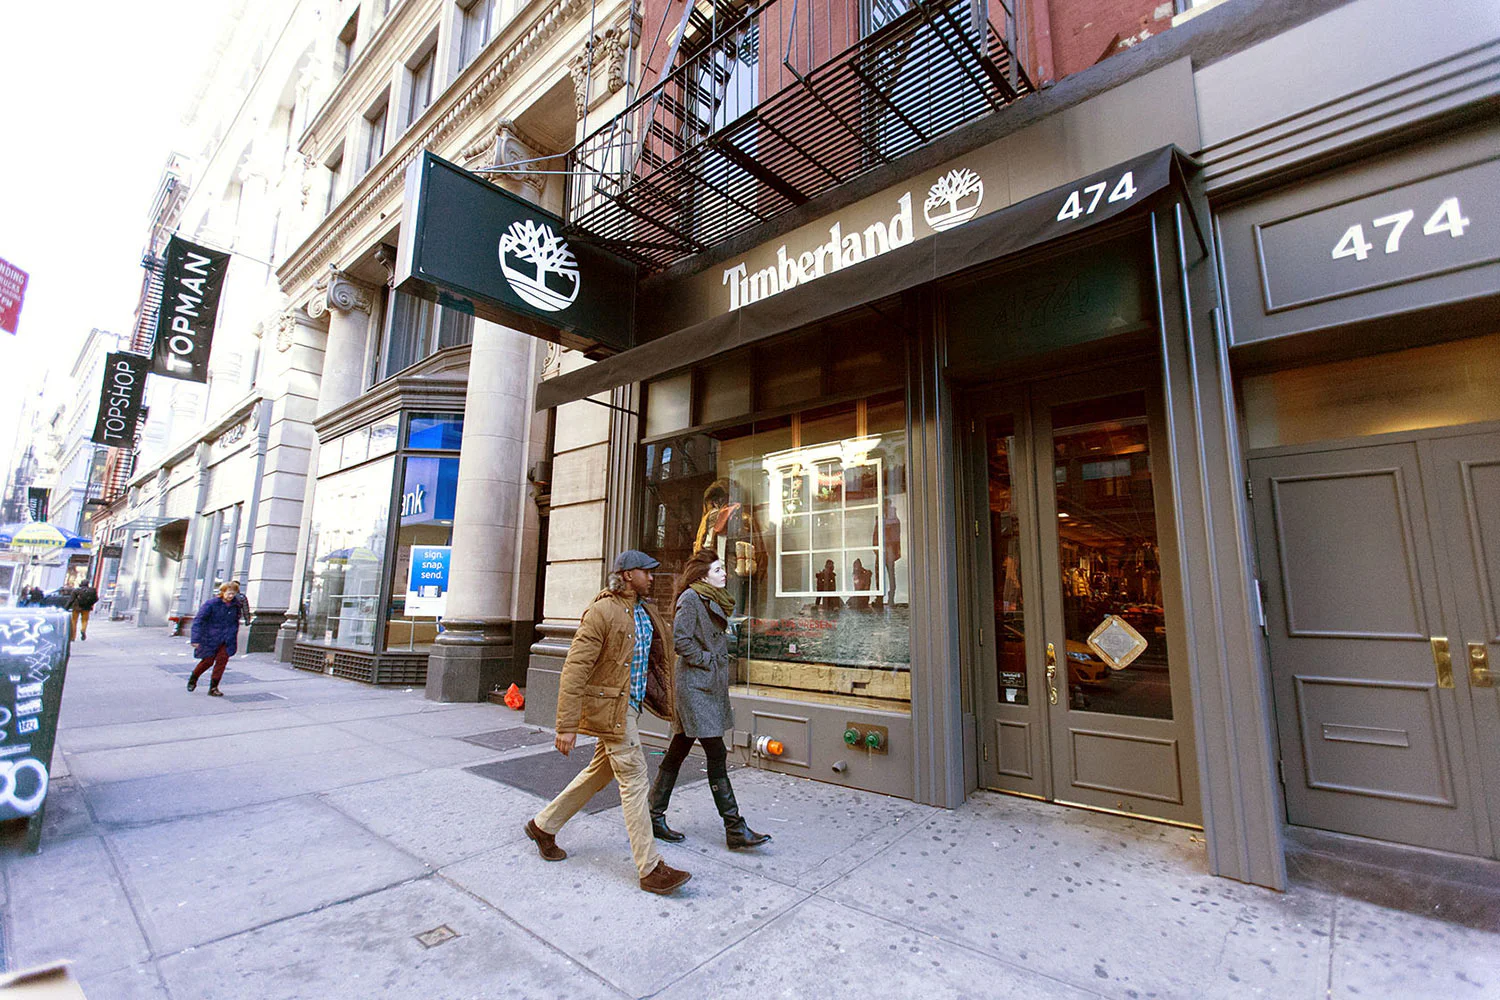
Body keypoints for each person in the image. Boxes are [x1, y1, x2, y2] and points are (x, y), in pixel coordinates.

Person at [524, 550, 692, 895]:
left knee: (600, 772)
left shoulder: (644, 611)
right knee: (634, 778)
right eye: (647, 572)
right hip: (610, 710)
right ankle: (650, 868)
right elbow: (575, 669)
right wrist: (566, 724)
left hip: (628, 708)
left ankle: (544, 825)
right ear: (628, 575)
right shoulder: (601, 611)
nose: (652, 577)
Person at [649, 549, 771, 850]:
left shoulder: (711, 599)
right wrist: (707, 659)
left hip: (706, 686)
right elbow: (681, 641)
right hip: (695, 687)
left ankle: (653, 815)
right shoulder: (691, 599)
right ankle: (734, 827)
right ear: (703, 575)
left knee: (677, 751)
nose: (724, 573)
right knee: (716, 753)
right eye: (718, 570)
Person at [188, 583, 241, 696]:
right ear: (222, 592)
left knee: (222, 661)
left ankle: (214, 687)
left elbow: (235, 621)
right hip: (210, 637)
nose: (231, 596)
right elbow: (198, 621)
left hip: (227, 638)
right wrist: (195, 639)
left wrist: (233, 632)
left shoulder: (236, 605)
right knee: (207, 661)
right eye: (229, 593)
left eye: (233, 593)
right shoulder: (211, 604)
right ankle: (194, 677)